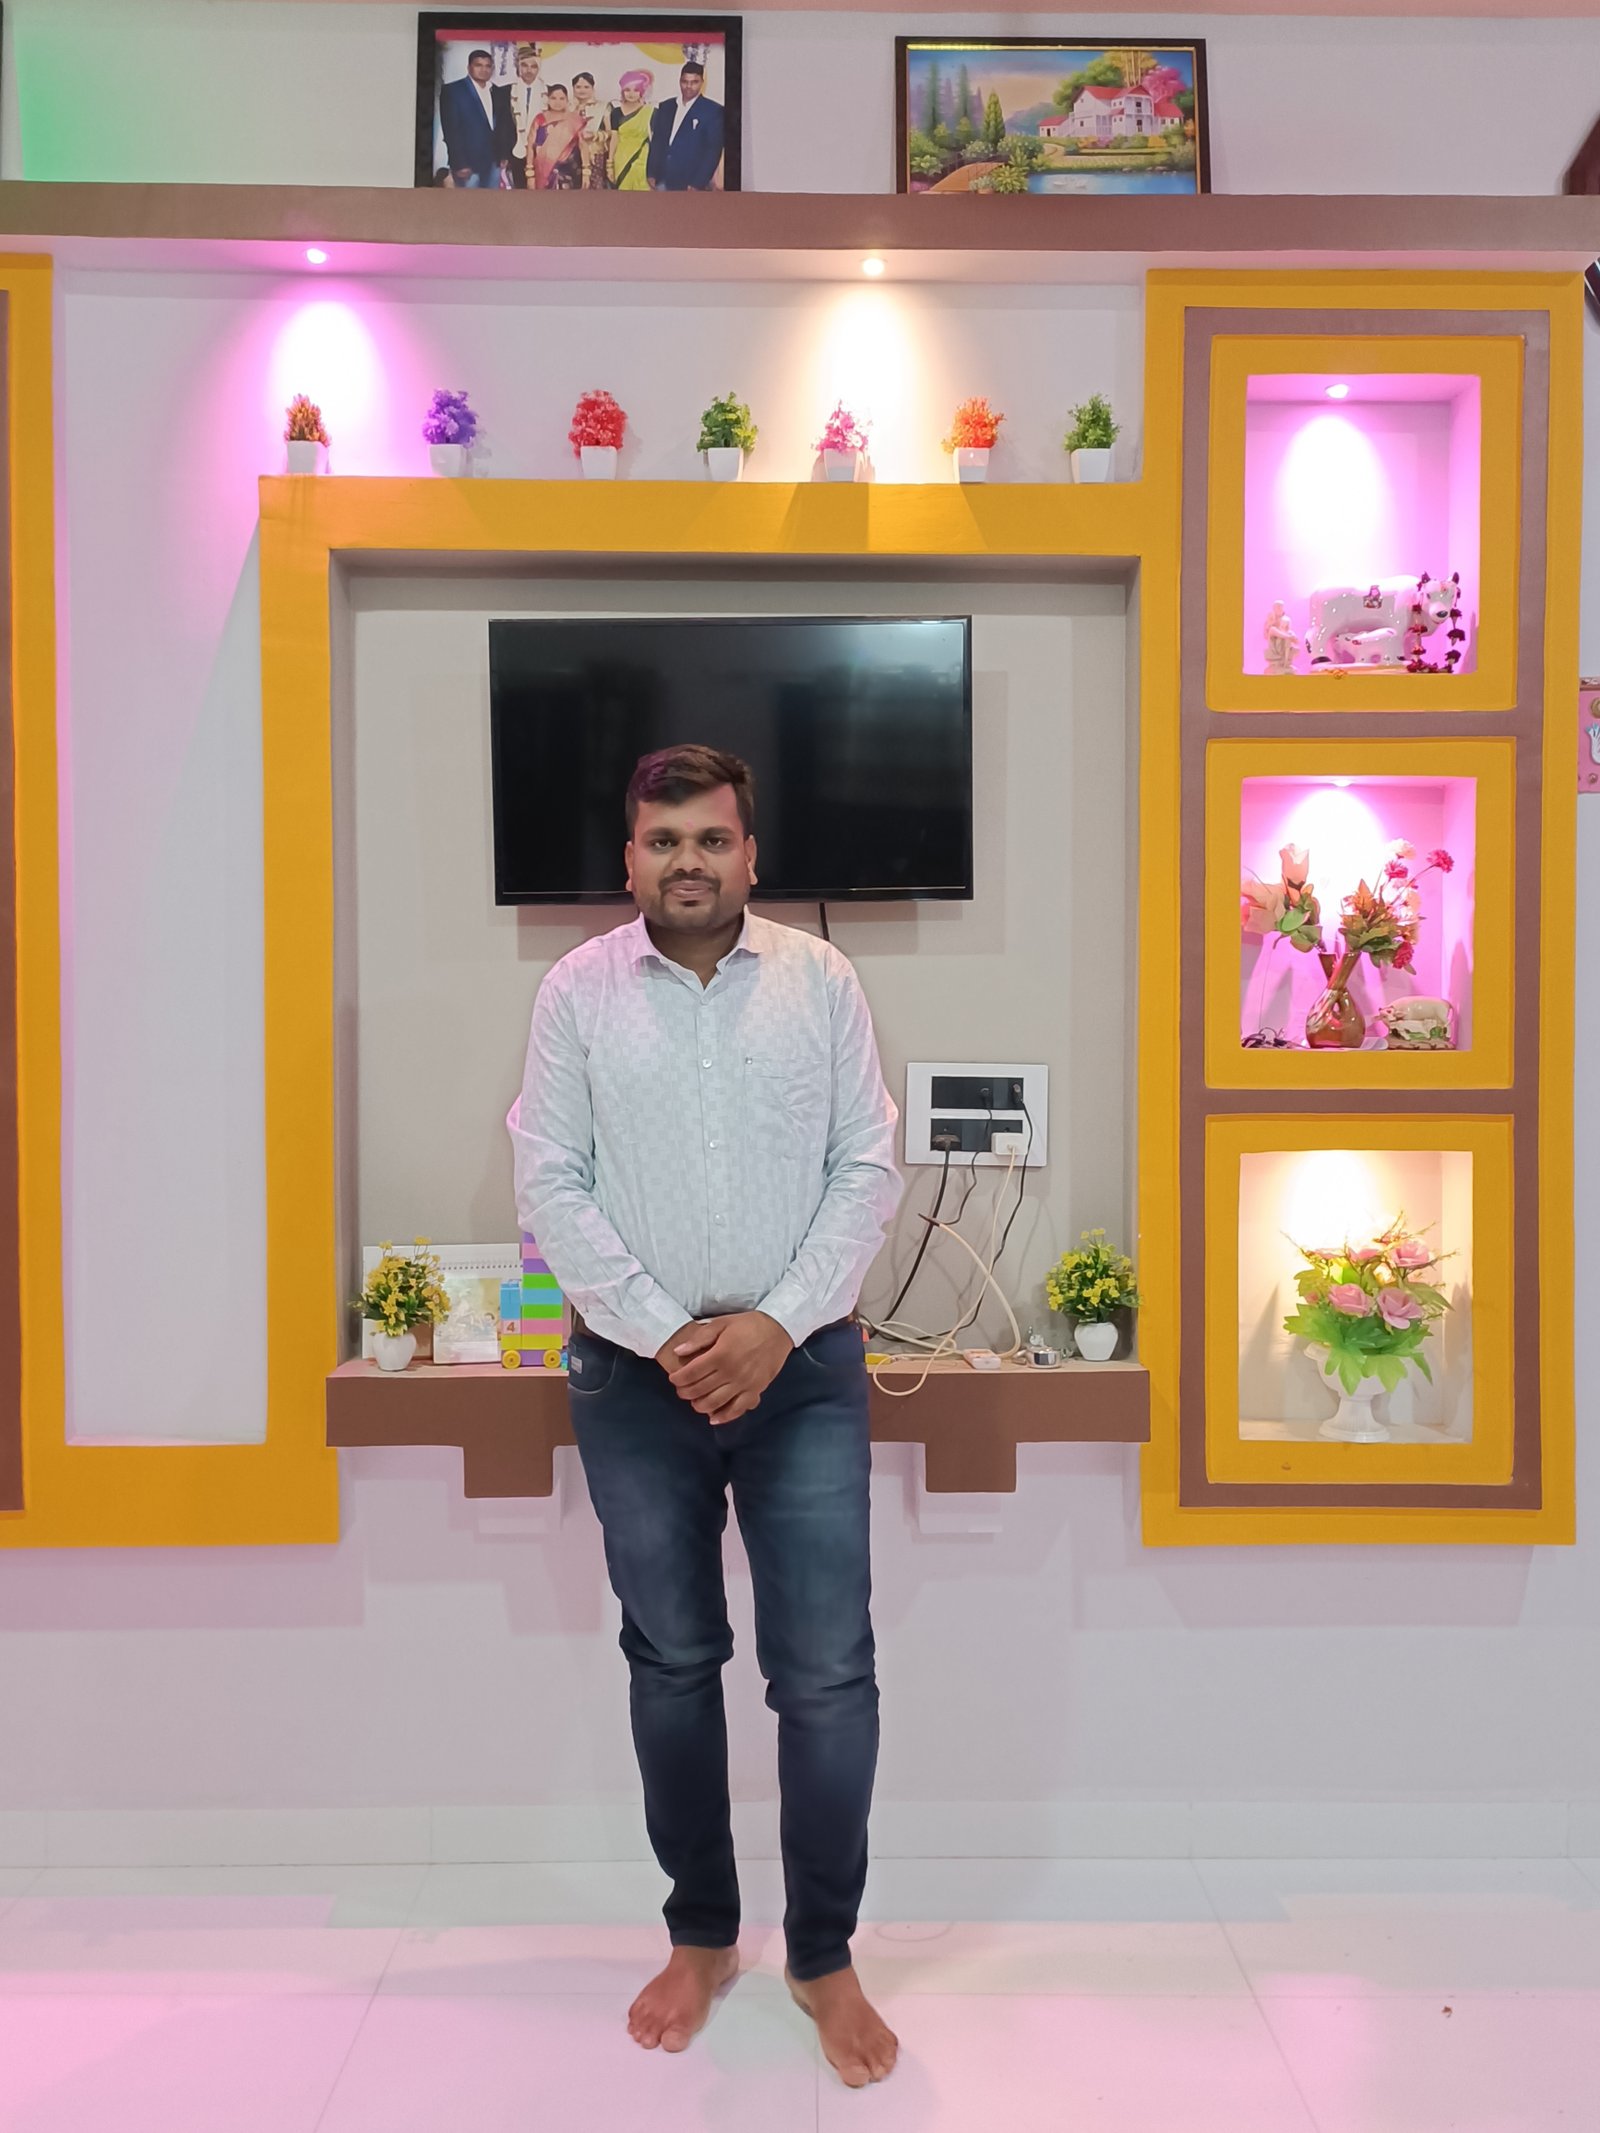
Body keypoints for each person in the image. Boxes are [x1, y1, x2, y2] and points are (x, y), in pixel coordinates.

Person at [509, 745, 903, 2090]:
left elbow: (867, 1168)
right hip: (637, 1378)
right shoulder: (575, 992)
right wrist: (667, 1334)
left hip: (804, 1371)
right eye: (664, 839)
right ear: (630, 859)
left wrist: (773, 1326)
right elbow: (550, 1179)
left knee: (826, 1675)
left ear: (750, 854)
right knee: (673, 1661)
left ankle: (824, 1954)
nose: (689, 860)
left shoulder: (821, 982)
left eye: (712, 838)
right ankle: (703, 1936)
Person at [439, 47, 512, 189]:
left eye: (488, 66)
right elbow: (451, 130)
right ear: (469, 67)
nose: (483, 69)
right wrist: (459, 163)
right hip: (468, 165)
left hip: (494, 163)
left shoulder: (498, 92)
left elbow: (504, 126)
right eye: (478, 65)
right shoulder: (453, 91)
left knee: (492, 201)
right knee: (468, 202)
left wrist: (504, 154)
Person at [646, 59, 725, 191]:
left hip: (690, 183)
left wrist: (697, 183)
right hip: (661, 179)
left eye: (694, 82)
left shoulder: (712, 110)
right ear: (679, 81)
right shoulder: (666, 106)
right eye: (685, 81)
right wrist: (651, 173)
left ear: (702, 83)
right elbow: (657, 142)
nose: (689, 86)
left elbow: (712, 151)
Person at [530, 83, 588, 190]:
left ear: (567, 101)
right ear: (548, 100)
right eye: (553, 98)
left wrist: (586, 171)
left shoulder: (574, 120)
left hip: (569, 170)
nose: (557, 102)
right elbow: (530, 146)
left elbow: (583, 145)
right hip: (543, 171)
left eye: (562, 98)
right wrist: (530, 172)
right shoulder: (540, 119)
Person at [608, 70, 655, 192]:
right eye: (627, 90)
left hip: (643, 159)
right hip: (621, 159)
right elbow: (614, 138)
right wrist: (610, 164)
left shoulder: (651, 112)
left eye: (636, 90)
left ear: (642, 91)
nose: (631, 94)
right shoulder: (616, 112)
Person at [507, 44, 545, 190]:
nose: (529, 70)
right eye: (524, 65)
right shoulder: (506, 91)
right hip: (514, 151)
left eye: (533, 66)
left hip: (540, 150)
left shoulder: (548, 92)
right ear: (518, 66)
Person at [570, 71, 608, 189]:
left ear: (592, 88)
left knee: (595, 190)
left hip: (595, 154)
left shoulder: (602, 106)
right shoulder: (567, 107)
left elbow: (610, 132)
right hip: (570, 155)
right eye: (578, 87)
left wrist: (595, 135)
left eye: (586, 87)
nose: (582, 90)